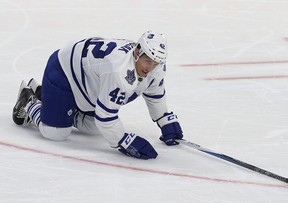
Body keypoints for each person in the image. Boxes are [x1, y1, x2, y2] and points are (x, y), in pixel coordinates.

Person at [12, 31, 184, 160]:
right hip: (63, 72)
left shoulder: (154, 66)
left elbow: (154, 92)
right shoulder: (118, 70)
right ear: (137, 52)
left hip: (86, 83)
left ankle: (56, 105)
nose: (151, 67)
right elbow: (106, 117)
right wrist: (123, 141)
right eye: (148, 61)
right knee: (55, 133)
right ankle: (28, 100)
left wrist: (163, 119)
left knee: (95, 128)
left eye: (156, 63)